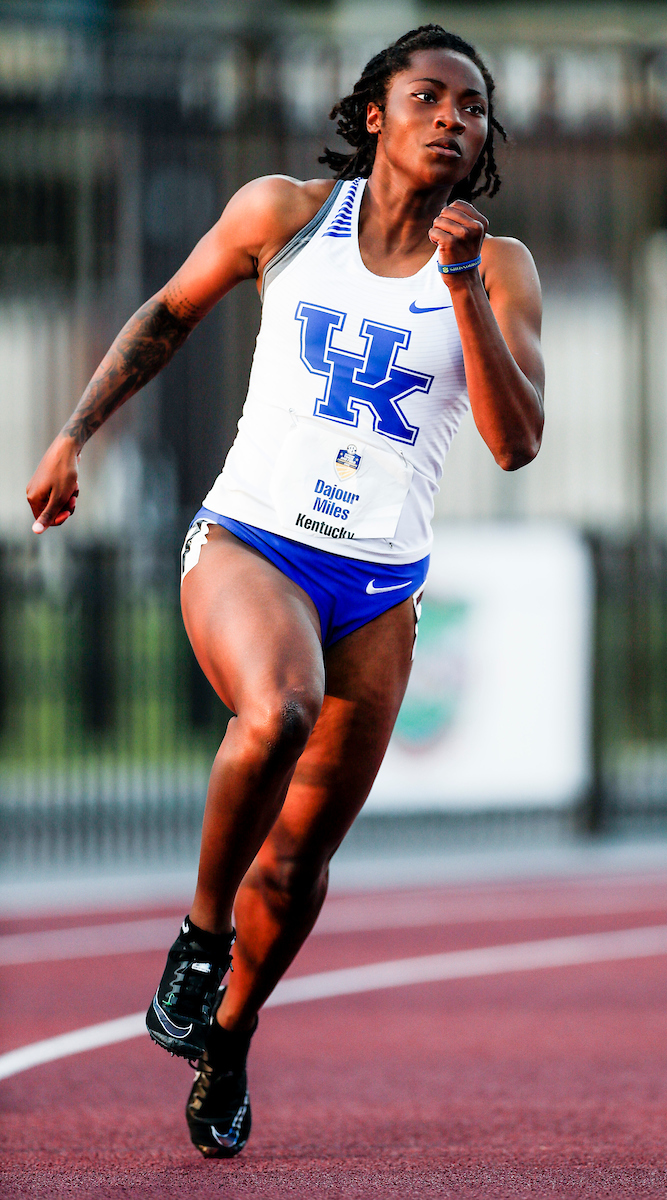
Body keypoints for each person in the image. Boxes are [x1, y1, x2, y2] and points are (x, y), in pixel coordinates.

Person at [26, 24, 545, 1158]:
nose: (453, 118)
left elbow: (513, 444)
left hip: (378, 588)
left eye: (472, 105)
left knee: (304, 858)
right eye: (428, 97)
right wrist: (74, 438)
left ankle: (227, 1033)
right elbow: (168, 312)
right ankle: (198, 938)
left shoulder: (497, 269)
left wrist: (460, 288)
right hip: (251, 542)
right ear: (375, 116)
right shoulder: (287, 215)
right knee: (279, 707)